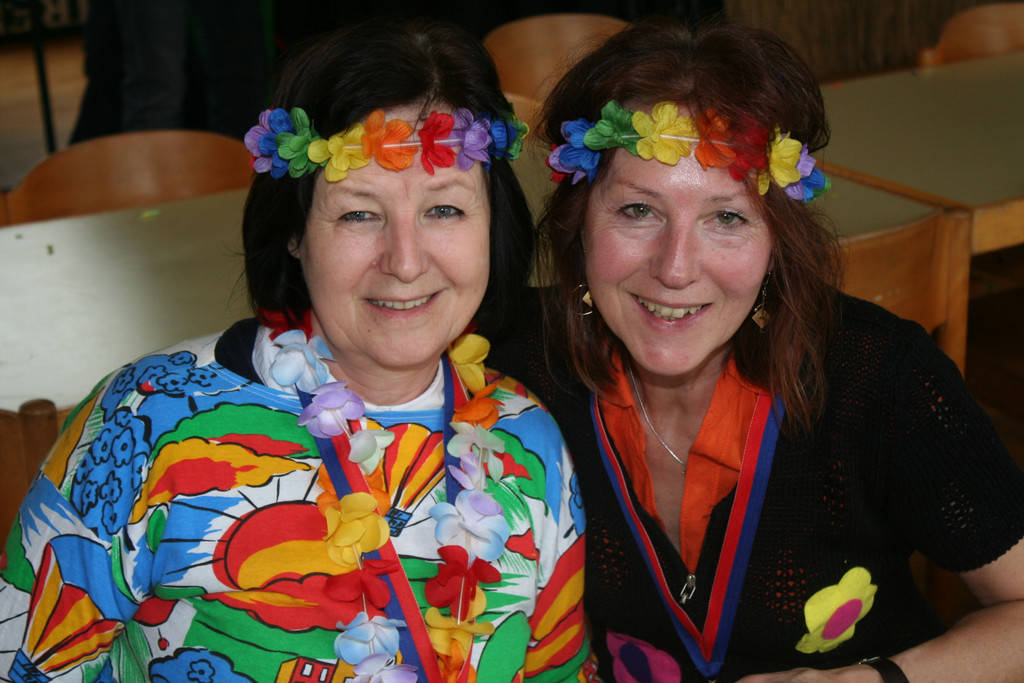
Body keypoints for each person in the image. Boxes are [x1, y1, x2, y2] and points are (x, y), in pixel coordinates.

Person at [0, 19, 596, 683]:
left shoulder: (529, 445)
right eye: (358, 213)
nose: (405, 261)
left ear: (492, 225)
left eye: (444, 210)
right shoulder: (147, 421)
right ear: (293, 231)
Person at [488, 16, 1024, 683]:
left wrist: (867, 681)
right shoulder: (514, 377)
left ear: (778, 239)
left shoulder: (881, 381)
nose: (676, 269)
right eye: (637, 211)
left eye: (728, 217)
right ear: (579, 222)